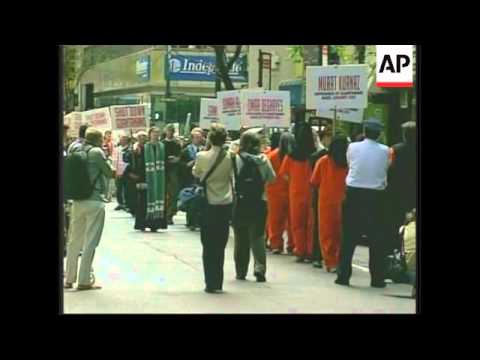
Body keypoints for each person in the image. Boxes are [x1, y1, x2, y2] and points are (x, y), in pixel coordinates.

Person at [335, 118, 390, 288]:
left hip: (354, 194)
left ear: (365, 132)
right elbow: (385, 168)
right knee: (376, 239)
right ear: (379, 134)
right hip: (376, 197)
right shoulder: (386, 151)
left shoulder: (352, 147)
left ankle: (343, 275)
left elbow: (351, 163)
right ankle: (377, 278)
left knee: (349, 236)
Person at [65, 127, 115, 290]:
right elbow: (110, 173)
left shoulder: (75, 149)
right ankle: (84, 280)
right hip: (94, 200)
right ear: (99, 140)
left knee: (74, 241)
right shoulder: (97, 152)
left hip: (77, 200)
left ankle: (69, 278)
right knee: (90, 241)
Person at [193, 123, 234, 294]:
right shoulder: (231, 157)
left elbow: (196, 173)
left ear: (209, 138)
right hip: (225, 204)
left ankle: (210, 282)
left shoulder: (201, 155)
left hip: (208, 204)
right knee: (220, 244)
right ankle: (219, 282)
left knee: (208, 245)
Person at [232, 132, 276, 282]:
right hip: (260, 201)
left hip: (241, 202)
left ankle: (241, 271)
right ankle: (260, 268)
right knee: (258, 236)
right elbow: (272, 178)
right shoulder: (264, 160)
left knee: (241, 237)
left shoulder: (236, 159)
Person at [278, 121, 316, 263]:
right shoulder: (315, 156)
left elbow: (284, 175)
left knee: (297, 223)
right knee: (311, 224)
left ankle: (300, 250)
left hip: (295, 192)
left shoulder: (291, 156)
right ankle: (311, 250)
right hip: (312, 193)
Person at [310, 136, 349, 273]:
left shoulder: (322, 161)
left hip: (325, 203)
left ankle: (330, 261)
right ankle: (339, 261)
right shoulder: (349, 162)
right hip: (345, 202)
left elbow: (314, 182)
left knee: (327, 234)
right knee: (341, 234)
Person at [385, 121, 416, 254]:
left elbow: (387, 169)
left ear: (405, 135)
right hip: (413, 193)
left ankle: (395, 250)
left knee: (395, 222)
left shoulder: (394, 150)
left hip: (395, 192)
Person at [128, 127, 168, 232]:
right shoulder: (143, 147)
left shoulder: (163, 147)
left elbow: (166, 162)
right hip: (146, 177)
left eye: (158, 133)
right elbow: (138, 164)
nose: (156, 135)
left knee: (158, 200)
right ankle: (143, 223)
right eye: (154, 133)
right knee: (143, 201)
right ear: (150, 135)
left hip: (159, 179)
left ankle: (155, 224)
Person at [266, 132, 295, 255]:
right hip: (290, 191)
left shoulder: (272, 156)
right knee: (291, 221)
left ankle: (276, 244)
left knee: (275, 220)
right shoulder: (294, 157)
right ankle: (292, 245)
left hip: (274, 192)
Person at [309, 127, 332, 268]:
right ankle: (319, 255)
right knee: (320, 226)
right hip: (321, 196)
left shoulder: (322, 158)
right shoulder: (320, 158)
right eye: (328, 136)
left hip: (324, 197)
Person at [180, 128, 204, 230]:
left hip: (200, 178)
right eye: (196, 138)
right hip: (189, 177)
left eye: (200, 137)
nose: (198, 139)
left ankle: (198, 221)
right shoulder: (186, 150)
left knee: (199, 200)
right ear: (192, 139)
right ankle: (190, 221)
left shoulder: (204, 150)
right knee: (190, 200)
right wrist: (188, 164)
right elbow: (180, 164)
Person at [162, 124, 182, 225]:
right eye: (169, 130)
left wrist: (176, 159)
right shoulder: (162, 144)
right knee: (164, 193)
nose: (170, 132)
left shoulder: (176, 144)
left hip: (173, 170)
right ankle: (164, 213)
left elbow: (180, 156)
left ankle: (170, 214)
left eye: (172, 131)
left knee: (173, 193)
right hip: (164, 170)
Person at [112, 133, 130, 211]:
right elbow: (114, 160)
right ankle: (120, 203)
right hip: (118, 171)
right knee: (118, 188)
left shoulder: (130, 149)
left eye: (124, 138)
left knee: (126, 188)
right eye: (121, 139)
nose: (122, 140)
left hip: (126, 171)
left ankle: (126, 203)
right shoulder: (117, 149)